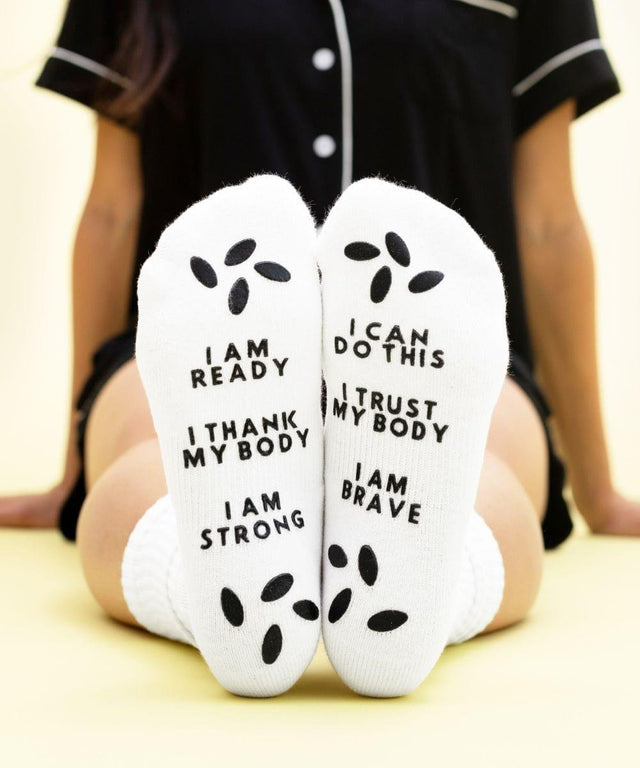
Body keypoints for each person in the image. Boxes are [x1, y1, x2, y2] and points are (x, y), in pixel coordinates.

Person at [1, 0, 639, 694]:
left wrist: (600, 492)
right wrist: (75, 460)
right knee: (147, 473)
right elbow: (113, 210)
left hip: (434, 358)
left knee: (476, 479)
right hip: (205, 358)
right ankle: (336, 614)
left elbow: (548, 221)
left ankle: (269, 608)